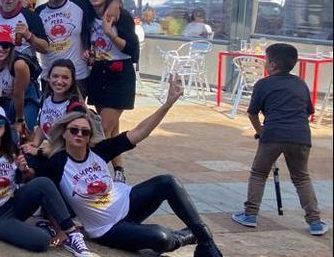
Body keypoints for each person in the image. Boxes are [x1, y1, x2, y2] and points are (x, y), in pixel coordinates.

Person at [35, 78, 223, 256]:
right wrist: (62, 230)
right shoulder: (56, 162)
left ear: (90, 136)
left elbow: (140, 132)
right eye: (73, 130)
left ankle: (205, 241)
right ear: (64, 133)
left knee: (167, 181)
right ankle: (190, 235)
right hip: (107, 228)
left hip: (128, 202)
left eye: (85, 132)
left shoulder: (100, 151)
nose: (79, 135)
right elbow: (48, 199)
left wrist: (168, 104)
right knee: (161, 237)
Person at [232, 43, 329, 236]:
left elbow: (252, 114)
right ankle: (315, 222)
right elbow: (309, 111)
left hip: (273, 134)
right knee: (301, 178)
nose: (265, 64)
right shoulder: (300, 83)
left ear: (273, 64)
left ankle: (250, 215)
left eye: (266, 60)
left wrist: (261, 132)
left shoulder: (263, 84)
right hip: (300, 135)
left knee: (259, 174)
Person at [0, 103, 91, 256]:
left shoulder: (10, 149)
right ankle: (41, 229)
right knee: (42, 240)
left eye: (0, 121)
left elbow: (26, 178)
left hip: (14, 203)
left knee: (43, 182)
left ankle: (72, 234)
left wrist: (25, 170)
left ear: (6, 126)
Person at [81, 0, 140, 183]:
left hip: (119, 74)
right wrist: (88, 51)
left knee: (101, 130)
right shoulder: (87, 14)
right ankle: (119, 171)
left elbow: (132, 47)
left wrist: (110, 33)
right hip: (98, 73)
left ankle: (90, 174)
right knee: (111, 128)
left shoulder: (120, 16)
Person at [34, 0, 120, 93]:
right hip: (50, 77)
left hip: (77, 77)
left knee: (76, 112)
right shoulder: (39, 12)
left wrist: (115, 3)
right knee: (51, 111)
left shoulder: (80, 4)